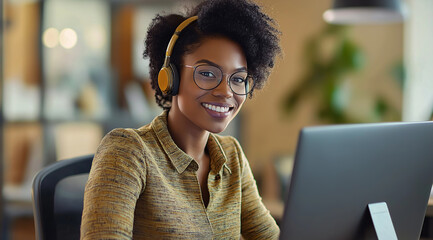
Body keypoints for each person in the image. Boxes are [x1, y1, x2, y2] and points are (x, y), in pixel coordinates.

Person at [80, 0, 281, 239]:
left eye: (238, 79)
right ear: (170, 77)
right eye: (207, 73)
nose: (226, 92)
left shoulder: (231, 156)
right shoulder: (129, 151)